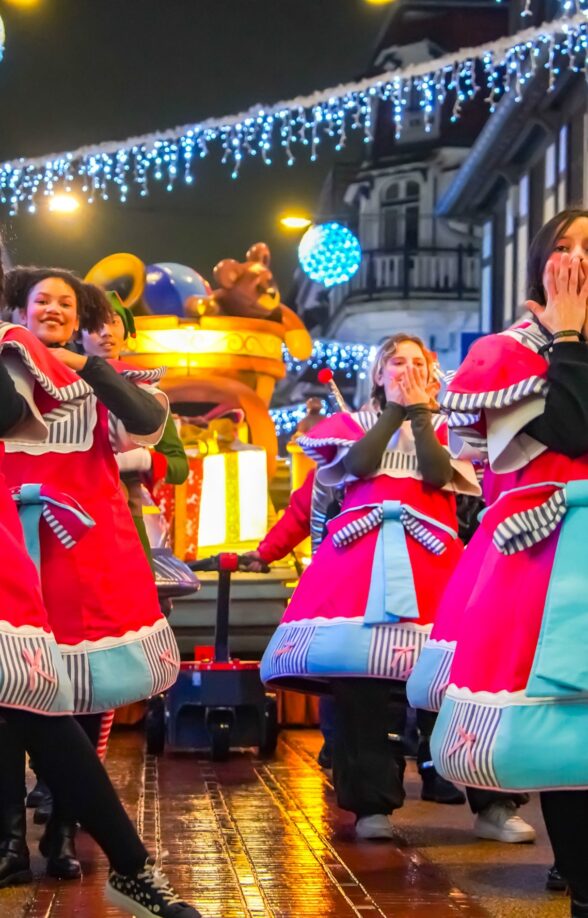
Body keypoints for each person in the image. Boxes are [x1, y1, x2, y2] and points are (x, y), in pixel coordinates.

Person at [0, 296, 200, 916]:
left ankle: (118, 859)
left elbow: (10, 414)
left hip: (70, 550)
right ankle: (126, 865)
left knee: (36, 704)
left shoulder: (20, 352)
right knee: (29, 708)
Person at [426, 209, 588, 917]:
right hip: (551, 561)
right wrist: (570, 337)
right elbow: (571, 432)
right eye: (564, 247)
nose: (577, 260)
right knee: (566, 727)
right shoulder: (507, 352)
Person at [261, 334, 479, 838]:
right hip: (357, 566)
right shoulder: (350, 425)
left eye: (417, 362)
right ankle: (370, 805)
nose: (406, 368)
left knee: (458, 678)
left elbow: (434, 472)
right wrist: (393, 414)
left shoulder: (452, 429)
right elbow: (356, 468)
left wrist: (420, 414)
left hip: (433, 562)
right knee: (359, 685)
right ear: (378, 372)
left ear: (432, 371)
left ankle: (488, 803)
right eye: (395, 361)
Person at [81, 286, 189, 561]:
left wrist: (143, 460)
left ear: (127, 332)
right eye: (95, 324)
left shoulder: (145, 389)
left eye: (114, 322)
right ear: (77, 333)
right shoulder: (59, 383)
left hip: (126, 521)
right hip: (74, 519)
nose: (106, 332)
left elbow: (179, 467)